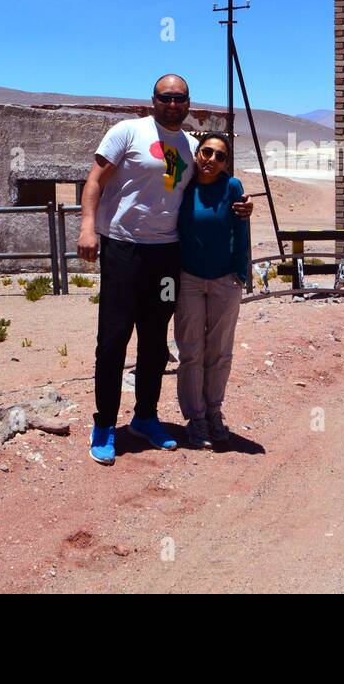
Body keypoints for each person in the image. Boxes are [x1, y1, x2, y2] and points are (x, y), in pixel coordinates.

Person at [77, 74, 251, 466]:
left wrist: (244, 205)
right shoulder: (127, 132)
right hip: (123, 249)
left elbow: (217, 187)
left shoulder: (192, 147)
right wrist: (88, 227)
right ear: (153, 100)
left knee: (156, 342)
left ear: (189, 103)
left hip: (167, 256)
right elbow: (94, 181)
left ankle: (145, 417)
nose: (173, 104)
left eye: (180, 99)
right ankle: (104, 424)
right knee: (113, 339)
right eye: (165, 98)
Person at [174, 132, 249, 449]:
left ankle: (215, 413)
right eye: (207, 152)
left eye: (220, 156)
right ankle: (196, 418)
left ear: (226, 162)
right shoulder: (181, 184)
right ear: (197, 153)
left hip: (225, 279)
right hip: (188, 278)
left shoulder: (232, 188)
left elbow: (241, 229)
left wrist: (241, 274)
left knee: (219, 352)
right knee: (191, 351)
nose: (212, 160)